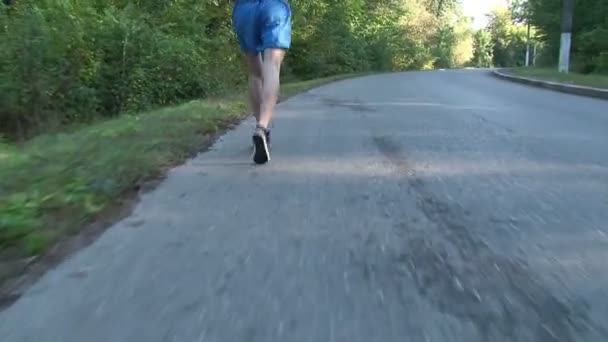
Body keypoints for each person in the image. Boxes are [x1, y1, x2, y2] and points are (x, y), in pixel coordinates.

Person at [232, 0, 291, 164]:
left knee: (254, 72)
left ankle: (261, 128)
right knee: (271, 64)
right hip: (274, 7)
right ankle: (262, 128)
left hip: (244, 9)